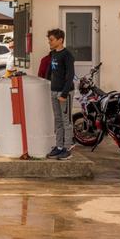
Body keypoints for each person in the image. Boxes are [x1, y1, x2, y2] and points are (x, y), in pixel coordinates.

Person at [45, 28, 75, 160]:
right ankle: (58, 146)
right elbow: (50, 72)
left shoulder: (67, 55)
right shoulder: (53, 54)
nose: (49, 42)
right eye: (49, 40)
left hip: (64, 93)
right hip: (53, 91)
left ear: (60, 40)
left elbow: (70, 76)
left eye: (51, 40)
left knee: (66, 121)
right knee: (57, 120)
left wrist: (64, 93)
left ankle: (67, 148)